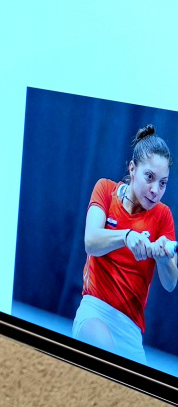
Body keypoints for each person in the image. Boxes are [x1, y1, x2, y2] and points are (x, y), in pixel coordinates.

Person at [74, 124, 176, 364]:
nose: (155, 190)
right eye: (149, 177)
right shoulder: (105, 190)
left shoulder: (163, 215)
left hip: (131, 331)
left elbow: (171, 283)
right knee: (106, 367)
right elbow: (91, 241)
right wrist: (126, 235)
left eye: (163, 183)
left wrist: (163, 259)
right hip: (94, 311)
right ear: (132, 169)